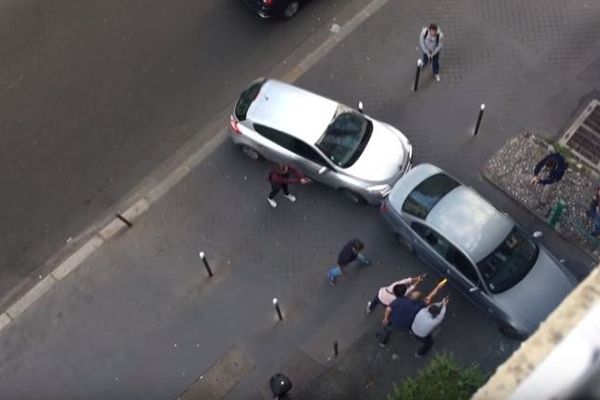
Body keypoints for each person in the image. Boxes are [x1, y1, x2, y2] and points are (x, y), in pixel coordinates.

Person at [376, 279, 446, 347]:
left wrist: (385, 318)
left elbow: (388, 309)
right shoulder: (419, 306)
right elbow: (431, 296)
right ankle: (411, 332)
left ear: (410, 296)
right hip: (406, 328)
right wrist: (438, 287)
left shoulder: (400, 300)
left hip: (393, 322)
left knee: (387, 329)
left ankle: (383, 342)